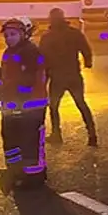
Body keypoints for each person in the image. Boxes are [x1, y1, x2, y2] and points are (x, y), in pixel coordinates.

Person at [0, 17, 49, 192]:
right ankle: (16, 171)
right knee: (10, 138)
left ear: (23, 34)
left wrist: (19, 97)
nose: (8, 38)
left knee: (30, 141)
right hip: (13, 105)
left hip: (31, 106)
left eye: (13, 34)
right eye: (6, 35)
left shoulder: (30, 51)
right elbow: (5, 78)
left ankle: (35, 176)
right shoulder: (9, 52)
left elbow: (29, 78)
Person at [39, 8, 97, 146]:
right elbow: (86, 49)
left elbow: (42, 59)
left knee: (53, 106)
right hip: (73, 75)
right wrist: (88, 62)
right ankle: (92, 134)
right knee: (81, 103)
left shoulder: (47, 37)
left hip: (56, 77)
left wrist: (43, 79)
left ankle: (56, 134)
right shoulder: (74, 33)